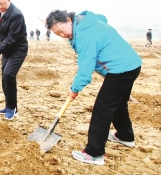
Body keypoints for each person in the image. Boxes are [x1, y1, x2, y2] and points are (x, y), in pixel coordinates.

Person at [45, 9, 142, 166]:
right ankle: (125, 136)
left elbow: (86, 68)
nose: (62, 35)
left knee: (102, 108)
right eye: (58, 34)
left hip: (121, 69)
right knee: (117, 104)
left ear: (69, 20)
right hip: (131, 64)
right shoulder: (86, 22)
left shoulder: (84, 36)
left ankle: (94, 153)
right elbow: (103, 18)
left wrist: (75, 89)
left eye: (62, 31)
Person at [0, 0, 28, 120]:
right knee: (5, 78)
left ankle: (13, 108)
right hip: (6, 50)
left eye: (2, 3)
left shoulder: (16, 15)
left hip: (18, 49)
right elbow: (0, 27)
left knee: (9, 74)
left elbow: (12, 37)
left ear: (9, 0)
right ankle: (8, 105)